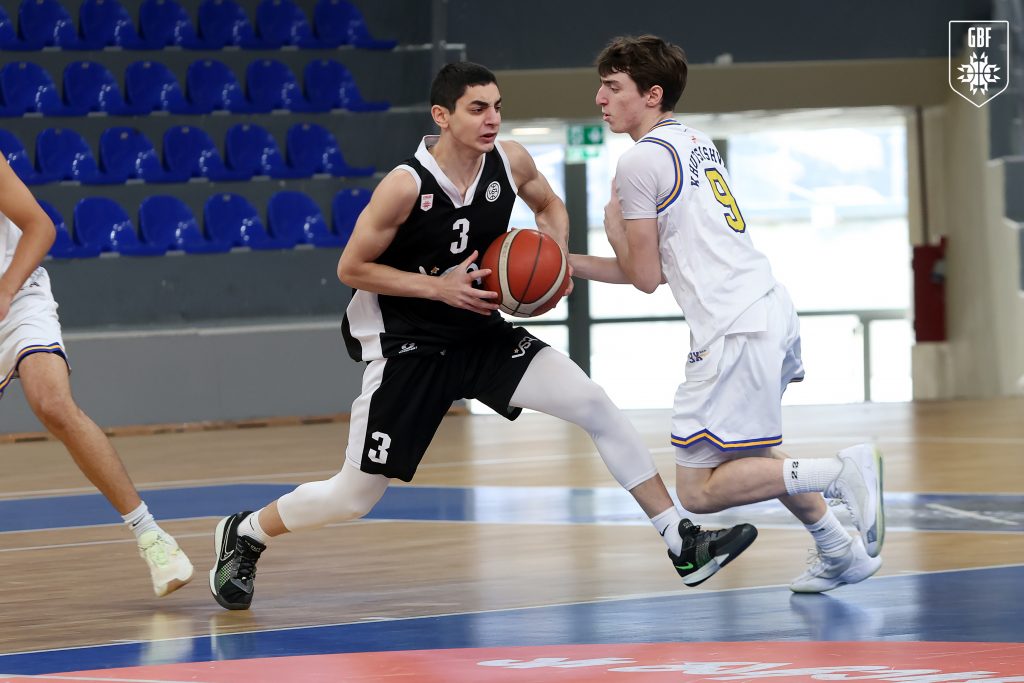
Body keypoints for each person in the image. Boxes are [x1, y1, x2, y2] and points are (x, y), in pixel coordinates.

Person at [209, 62, 758, 610]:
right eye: (477, 109)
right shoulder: (406, 185)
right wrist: (439, 288)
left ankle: (680, 540)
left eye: (496, 107)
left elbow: (549, 204)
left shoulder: (510, 160)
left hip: (480, 333)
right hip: (410, 345)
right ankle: (247, 532)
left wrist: (554, 257)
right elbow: (351, 268)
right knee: (354, 495)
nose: (492, 118)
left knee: (593, 403)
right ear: (442, 116)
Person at [568, 35, 885, 594]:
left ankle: (841, 473)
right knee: (754, 455)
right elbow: (661, 267)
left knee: (697, 490)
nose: (600, 98)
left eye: (613, 87)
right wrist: (567, 263)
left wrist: (613, 226)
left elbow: (643, 277)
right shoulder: (694, 141)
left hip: (733, 325)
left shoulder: (639, 161)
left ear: (652, 94)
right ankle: (839, 550)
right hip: (766, 307)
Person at [0, 157, 193, 597]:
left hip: (17, 294)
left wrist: (6, 288)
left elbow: (39, 226)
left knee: (52, 402)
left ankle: (151, 535)